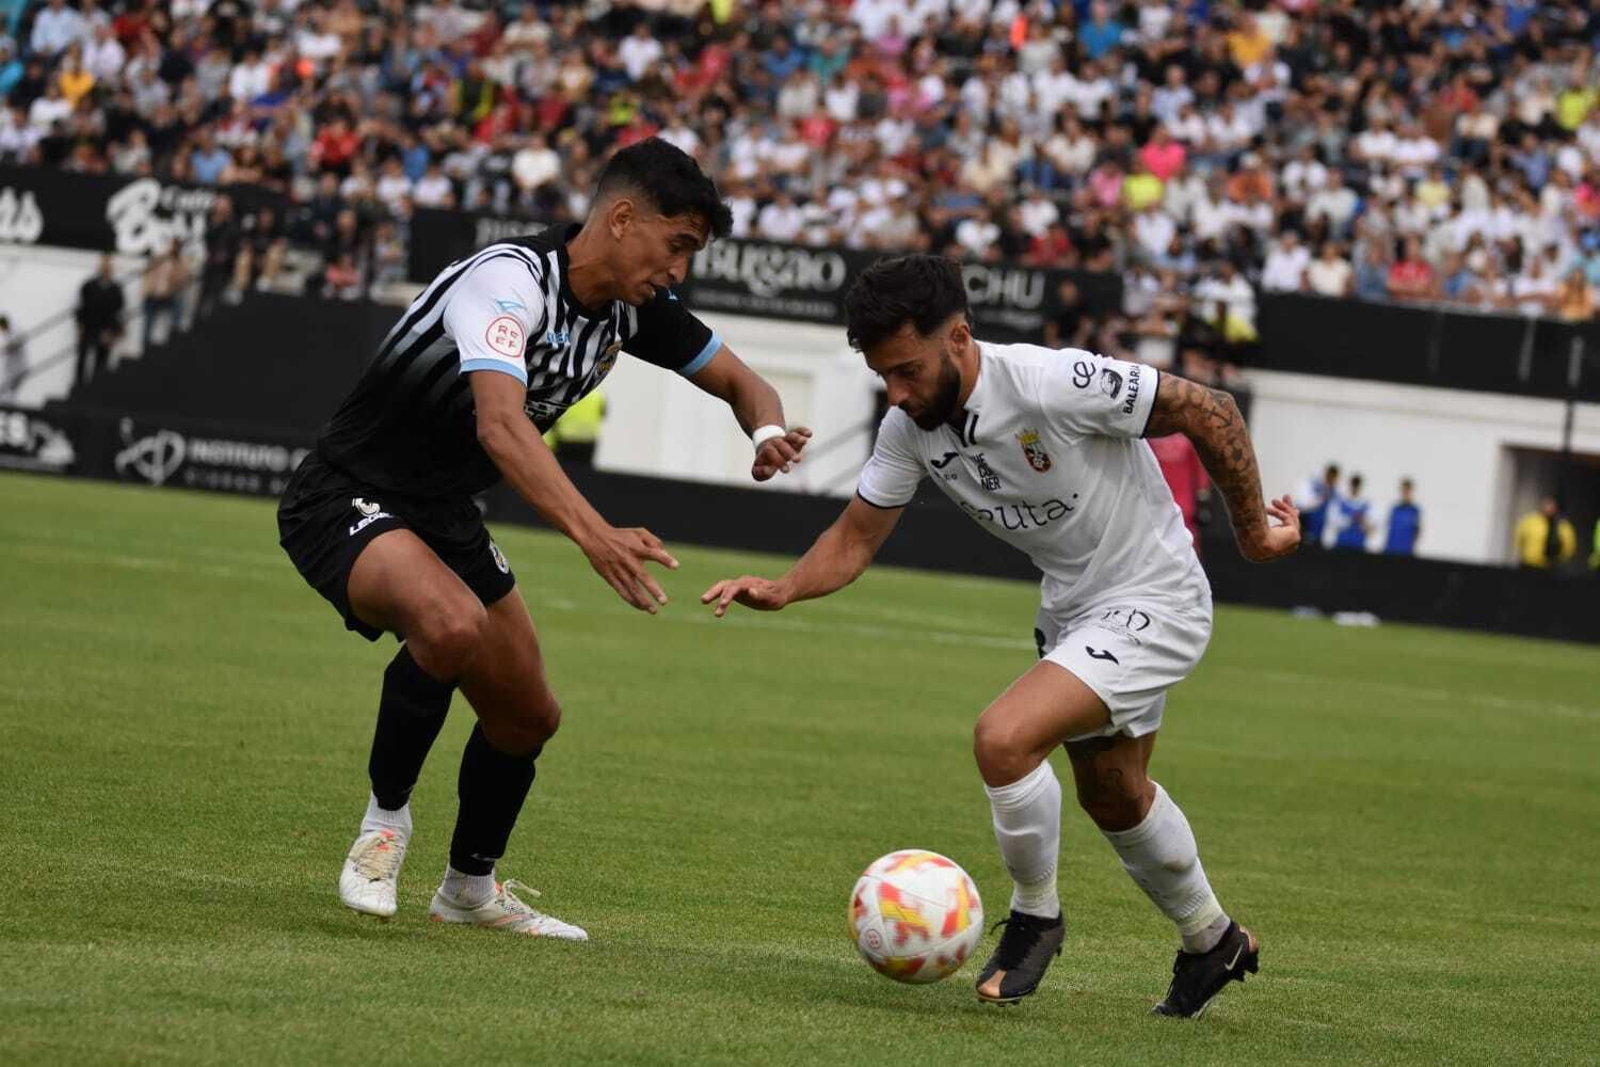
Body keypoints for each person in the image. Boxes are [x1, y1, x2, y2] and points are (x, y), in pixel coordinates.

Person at [702, 255, 1300, 1017]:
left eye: (909, 370)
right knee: (1116, 797)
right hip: (1073, 609)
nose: (899, 392)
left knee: (1003, 738)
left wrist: (1252, 533)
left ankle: (1034, 917)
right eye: (885, 376)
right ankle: (1212, 938)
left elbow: (1211, 408)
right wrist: (783, 587)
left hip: (1156, 596)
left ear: (959, 335)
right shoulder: (908, 427)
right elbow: (854, 538)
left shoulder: (1053, 382)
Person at [277, 138, 812, 939]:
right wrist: (595, 535)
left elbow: (743, 380)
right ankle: (383, 827)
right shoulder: (507, 281)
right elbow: (500, 425)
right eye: (677, 246)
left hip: (444, 512)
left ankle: (469, 887)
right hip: (345, 492)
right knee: (450, 622)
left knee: (528, 715)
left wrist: (766, 428)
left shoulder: (632, 311)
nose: (679, 271)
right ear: (623, 218)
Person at [75, 255, 124, 387]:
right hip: (88, 327)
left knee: (101, 360)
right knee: (82, 357)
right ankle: (79, 385)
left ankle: (96, 386)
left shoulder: (116, 289)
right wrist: (80, 326)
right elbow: (80, 306)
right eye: (104, 266)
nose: (106, 269)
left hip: (105, 330)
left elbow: (118, 311)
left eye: (109, 266)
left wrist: (113, 331)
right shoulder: (88, 285)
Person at [1513, 495, 1576, 569]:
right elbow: (1519, 539)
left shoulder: (1562, 526)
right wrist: (1524, 555)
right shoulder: (1531, 521)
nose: (1548, 508)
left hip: (1550, 565)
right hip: (1529, 563)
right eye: (1546, 504)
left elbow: (1569, 547)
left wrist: (1559, 560)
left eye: (1551, 505)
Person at [1297, 463, 1341, 548]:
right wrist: (1321, 498)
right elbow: (1302, 504)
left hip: (1321, 534)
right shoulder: (1313, 485)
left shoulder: (1336, 493)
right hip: (1307, 527)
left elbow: (1334, 516)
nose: (1331, 479)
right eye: (1330, 476)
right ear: (1326, 474)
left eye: (1334, 477)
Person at [1330, 473, 1370, 551]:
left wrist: (1362, 521)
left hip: (1358, 545)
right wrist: (1351, 519)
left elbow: (1371, 528)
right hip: (1341, 543)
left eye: (1357, 484)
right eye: (1353, 484)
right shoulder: (1340, 502)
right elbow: (1333, 522)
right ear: (1350, 484)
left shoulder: (1366, 504)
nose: (1355, 487)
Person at [1383, 478, 1421, 555]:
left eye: (1407, 490)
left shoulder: (1414, 510)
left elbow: (1417, 531)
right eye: (1403, 490)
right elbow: (1389, 528)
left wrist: (1412, 547)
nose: (1405, 493)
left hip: (1406, 551)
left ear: (1411, 491)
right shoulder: (1395, 509)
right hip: (1390, 549)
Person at [0, 314, 24, 403]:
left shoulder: (14, 331)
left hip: (18, 368)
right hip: (13, 369)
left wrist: (4, 349)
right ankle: (9, 404)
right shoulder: (8, 334)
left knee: (9, 388)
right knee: (8, 389)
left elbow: (15, 344)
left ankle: (9, 404)